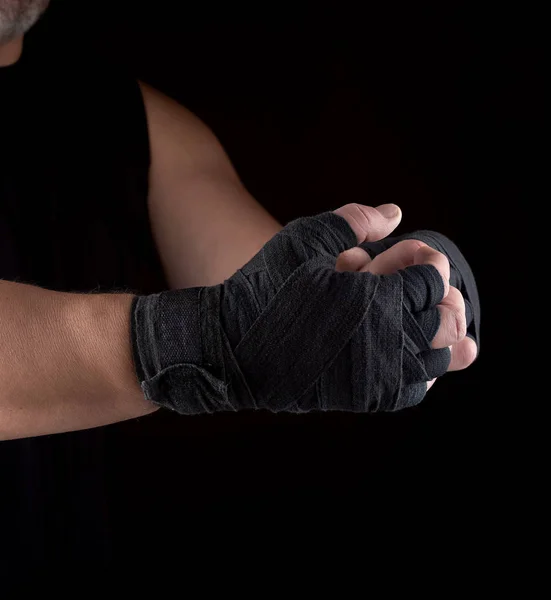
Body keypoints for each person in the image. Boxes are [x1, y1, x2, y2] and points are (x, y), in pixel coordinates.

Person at [0, 0, 477, 559]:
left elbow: (284, 300)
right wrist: (195, 340)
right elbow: (235, 327)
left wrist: (418, 284)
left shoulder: (124, 119)